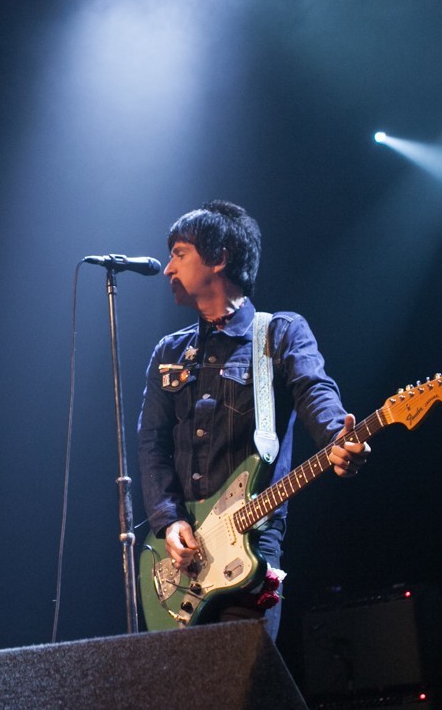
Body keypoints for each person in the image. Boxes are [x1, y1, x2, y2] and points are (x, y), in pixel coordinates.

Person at [136, 200, 368, 641]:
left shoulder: (280, 333)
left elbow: (315, 392)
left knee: (240, 695)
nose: (168, 268)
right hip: (177, 561)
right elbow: (152, 443)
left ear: (219, 258)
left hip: (251, 549)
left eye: (179, 253)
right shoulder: (169, 352)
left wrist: (340, 435)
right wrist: (169, 521)